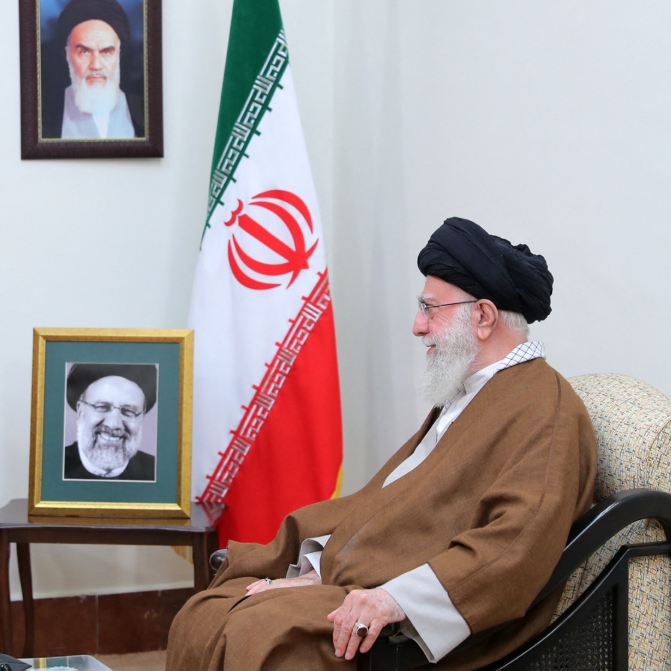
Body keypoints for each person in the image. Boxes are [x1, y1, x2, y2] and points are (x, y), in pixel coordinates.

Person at [166, 218, 598, 670]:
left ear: (484, 317)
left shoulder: (543, 408)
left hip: (434, 624)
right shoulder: (476, 393)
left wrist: (393, 599)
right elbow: (395, 508)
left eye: (431, 309)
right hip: (372, 582)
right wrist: (317, 571)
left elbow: (515, 547)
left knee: (259, 636)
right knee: (209, 612)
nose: (417, 325)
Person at [41, 0, 143, 139]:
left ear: (118, 55)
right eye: (84, 52)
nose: (96, 65)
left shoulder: (144, 111)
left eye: (106, 52)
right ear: (68, 54)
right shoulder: (43, 113)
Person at [64, 363, 157, 481]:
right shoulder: (54, 468)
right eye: (102, 407)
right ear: (81, 411)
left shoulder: (155, 473)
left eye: (128, 412)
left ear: (140, 418)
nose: (114, 424)